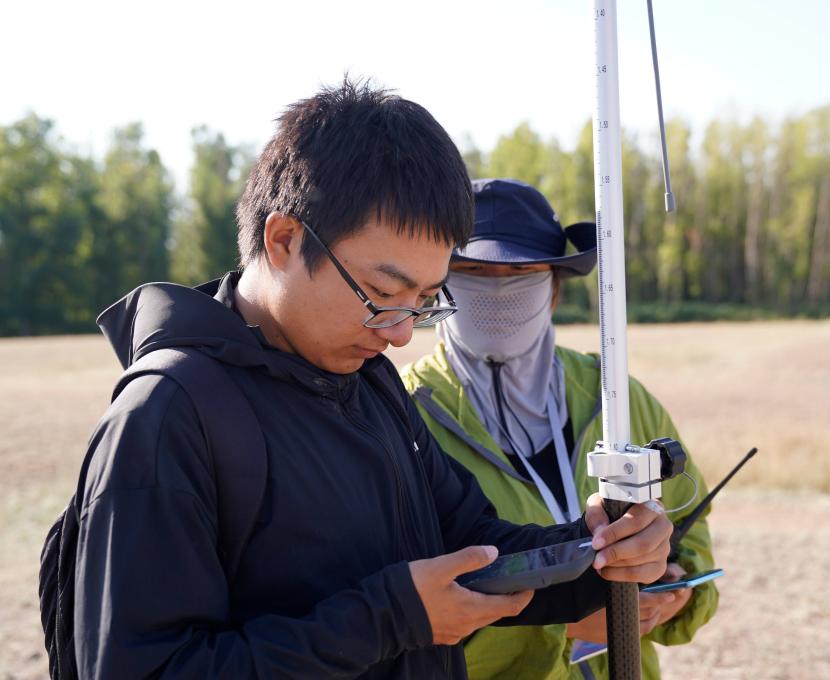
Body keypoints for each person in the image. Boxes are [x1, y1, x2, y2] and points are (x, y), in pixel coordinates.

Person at [70, 82, 675, 679]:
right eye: (382, 293)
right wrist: (390, 618)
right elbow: (144, 668)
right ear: (283, 240)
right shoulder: (167, 417)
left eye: (425, 301)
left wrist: (595, 553)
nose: (401, 333)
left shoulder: (371, 385)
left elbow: (472, 543)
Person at [400, 178, 719, 679]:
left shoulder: (616, 397)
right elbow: (400, 607)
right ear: (439, 282)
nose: (497, 289)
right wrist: (562, 623)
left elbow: (689, 528)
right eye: (474, 271)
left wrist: (674, 588)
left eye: (521, 271)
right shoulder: (403, 412)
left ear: (553, 289)